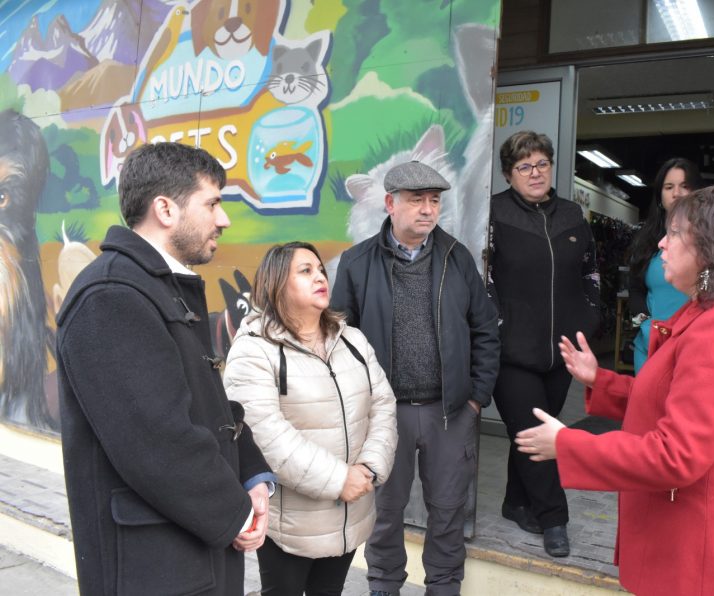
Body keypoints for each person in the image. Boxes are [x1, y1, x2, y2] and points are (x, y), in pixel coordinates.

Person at [516, 186, 714, 595]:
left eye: (675, 233)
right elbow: (672, 397)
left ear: (711, 248)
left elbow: (675, 454)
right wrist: (599, 379)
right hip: (694, 540)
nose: (662, 242)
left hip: (706, 555)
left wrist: (568, 444)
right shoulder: (711, 306)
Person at [56, 142, 275, 596]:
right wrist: (232, 512)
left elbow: (207, 404)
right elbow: (157, 440)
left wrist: (252, 476)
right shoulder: (111, 296)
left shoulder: (156, 287)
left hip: (184, 553)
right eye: (213, 203)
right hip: (154, 568)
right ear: (165, 209)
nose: (223, 219)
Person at [331, 160, 500, 596]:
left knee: (447, 510)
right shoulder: (357, 262)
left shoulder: (457, 258)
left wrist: (476, 398)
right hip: (386, 415)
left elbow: (485, 330)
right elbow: (338, 340)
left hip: (450, 412)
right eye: (416, 200)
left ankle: (443, 587)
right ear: (390, 204)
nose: (427, 210)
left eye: (434, 201)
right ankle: (384, 585)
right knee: (385, 511)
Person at [223, 241, 398, 595]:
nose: (320, 277)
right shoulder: (254, 348)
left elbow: (383, 405)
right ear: (276, 284)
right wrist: (339, 479)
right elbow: (265, 436)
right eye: (305, 271)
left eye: (320, 269)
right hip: (290, 525)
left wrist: (369, 467)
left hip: (350, 514)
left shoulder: (352, 340)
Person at [486, 130, 602, 557]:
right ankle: (555, 518)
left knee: (531, 434)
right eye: (524, 167)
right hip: (512, 352)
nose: (535, 173)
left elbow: (591, 273)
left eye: (542, 164)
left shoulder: (572, 215)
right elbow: (485, 279)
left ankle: (516, 502)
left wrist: (589, 318)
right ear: (508, 173)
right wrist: (496, 326)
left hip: (562, 351)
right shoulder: (493, 214)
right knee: (539, 434)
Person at [627, 157, 703, 373]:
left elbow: (710, 283)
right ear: (660, 196)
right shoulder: (647, 241)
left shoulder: (710, 240)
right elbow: (635, 289)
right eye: (669, 187)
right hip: (650, 346)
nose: (676, 193)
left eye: (684, 186)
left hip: (693, 347)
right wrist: (644, 325)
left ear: (696, 192)